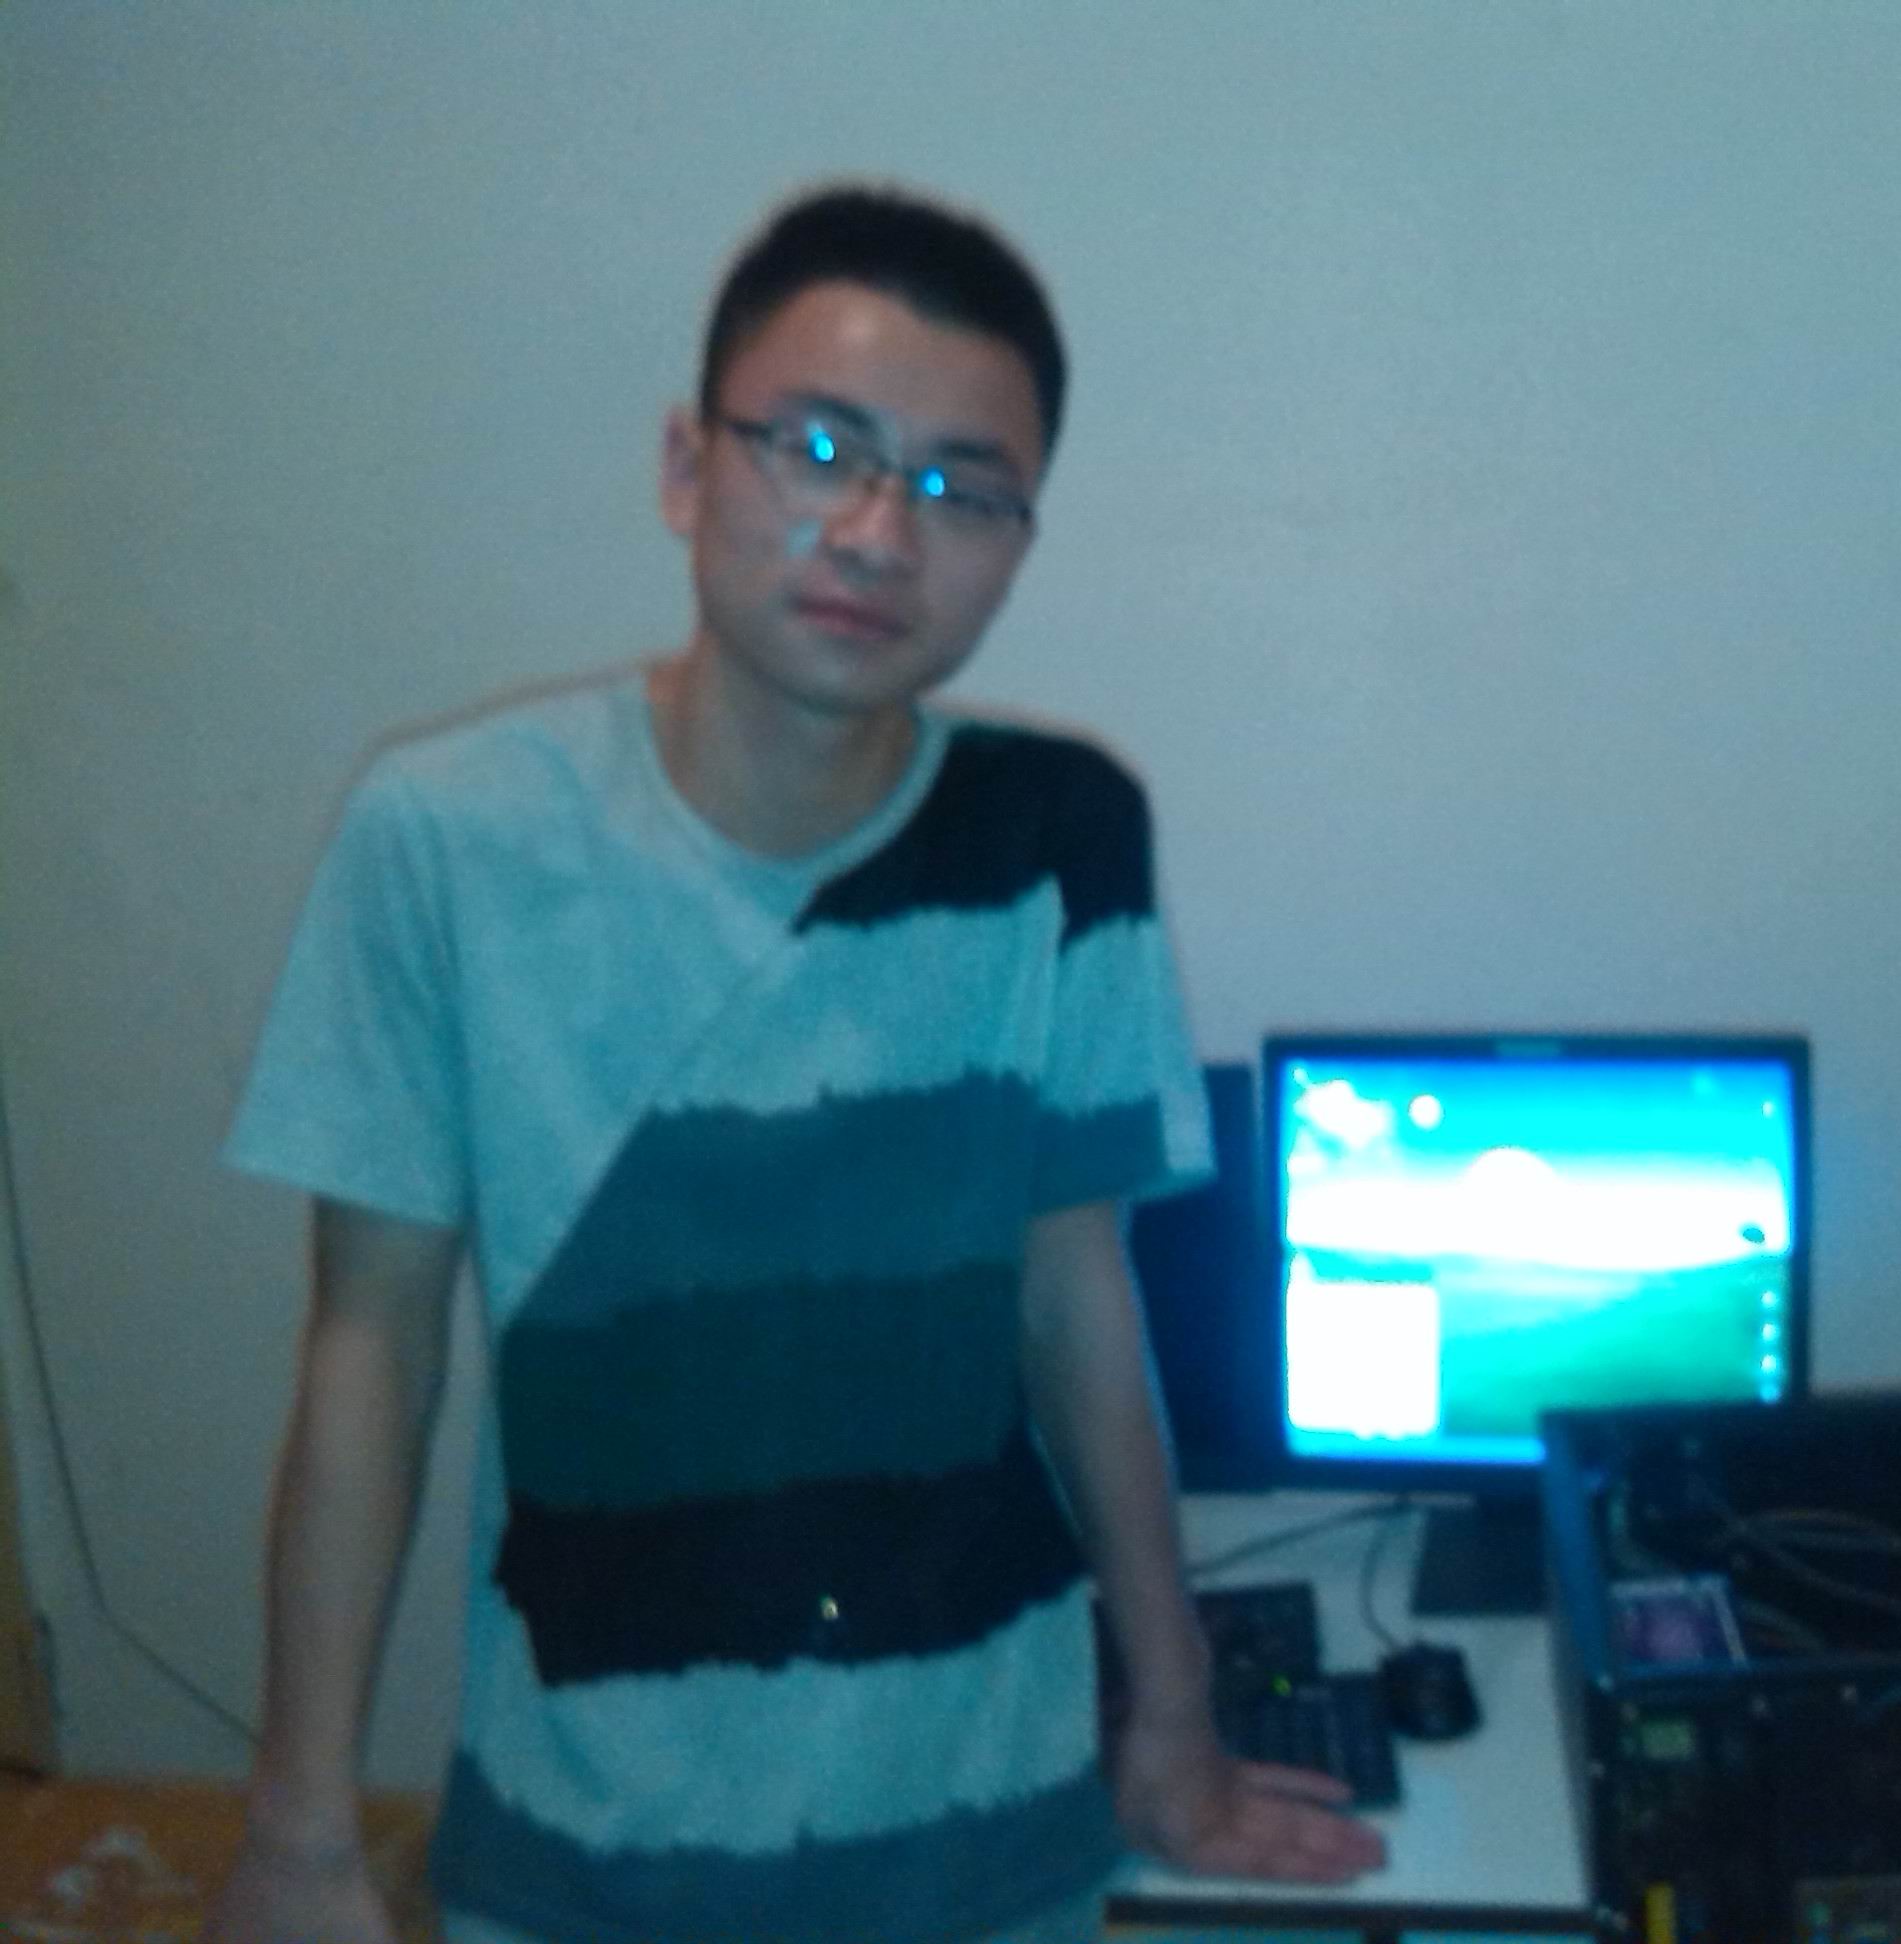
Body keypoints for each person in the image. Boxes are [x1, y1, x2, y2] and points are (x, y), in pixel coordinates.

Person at [205, 182, 1386, 1944]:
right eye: (820, 449)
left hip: (990, 1841)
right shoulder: (446, 843)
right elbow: (369, 1344)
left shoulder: (1061, 836)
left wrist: (1176, 1719)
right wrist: (299, 1837)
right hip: (590, 1850)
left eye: (961, 489)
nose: (879, 534)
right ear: (690, 468)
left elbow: (1080, 1300)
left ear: (1018, 543)